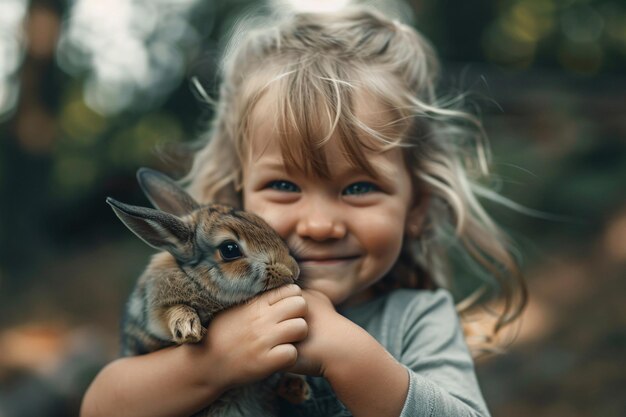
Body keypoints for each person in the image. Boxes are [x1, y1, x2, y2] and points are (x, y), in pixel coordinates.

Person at [81, 6, 527, 417]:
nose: (319, 225)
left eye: (359, 187)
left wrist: (348, 355)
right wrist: (213, 364)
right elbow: (101, 406)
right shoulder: (213, 298)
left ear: (416, 206)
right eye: (283, 185)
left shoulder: (418, 319)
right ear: (236, 201)